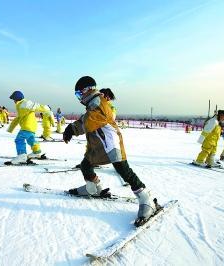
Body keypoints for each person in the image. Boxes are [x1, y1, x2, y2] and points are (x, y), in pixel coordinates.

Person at [63, 76, 157, 227]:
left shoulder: (99, 103)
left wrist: (72, 129)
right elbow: (85, 118)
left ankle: (146, 199)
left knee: (123, 170)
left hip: (111, 143)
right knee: (86, 165)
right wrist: (72, 128)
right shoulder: (92, 103)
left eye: (79, 94)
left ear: (88, 90)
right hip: (98, 145)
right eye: (77, 96)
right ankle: (93, 188)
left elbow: (89, 121)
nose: (79, 98)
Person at [7, 90, 50, 164]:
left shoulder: (24, 103)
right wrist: (11, 128)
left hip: (27, 126)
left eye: (14, 99)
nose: (13, 101)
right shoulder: (20, 106)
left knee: (19, 139)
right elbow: (18, 118)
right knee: (31, 139)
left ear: (17, 98)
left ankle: (22, 155)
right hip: (31, 126)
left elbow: (36, 106)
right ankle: (36, 152)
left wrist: (46, 108)